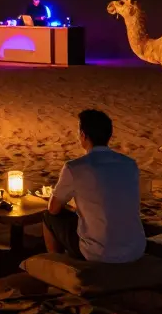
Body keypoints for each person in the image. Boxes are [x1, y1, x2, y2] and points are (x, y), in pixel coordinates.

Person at [44, 109, 146, 263]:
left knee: (48, 217)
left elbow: (53, 208)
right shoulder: (129, 164)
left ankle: (57, 265)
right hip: (135, 249)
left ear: (83, 135)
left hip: (98, 252)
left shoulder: (75, 167)